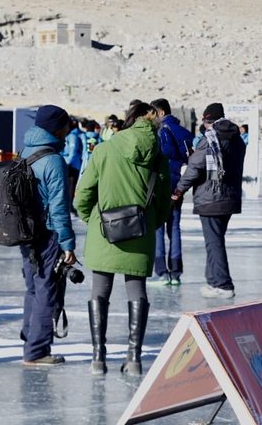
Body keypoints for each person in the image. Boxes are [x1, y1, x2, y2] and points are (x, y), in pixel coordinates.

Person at [74, 101, 171, 376]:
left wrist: (90, 218)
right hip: (140, 231)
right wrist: (152, 223)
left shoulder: (105, 149)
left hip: (104, 230)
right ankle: (134, 358)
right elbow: (164, 203)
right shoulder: (158, 154)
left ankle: (98, 358)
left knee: (99, 290)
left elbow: (83, 195)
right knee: (137, 290)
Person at [18, 105, 77, 366]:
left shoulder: (26, 152)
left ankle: (30, 336)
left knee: (33, 286)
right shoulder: (53, 160)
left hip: (25, 232)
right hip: (47, 233)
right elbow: (59, 208)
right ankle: (37, 350)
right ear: (58, 128)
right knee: (46, 289)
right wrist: (68, 244)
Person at [171, 103, 246, 300]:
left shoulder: (210, 140)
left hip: (210, 197)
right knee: (215, 240)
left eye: (205, 122)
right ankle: (213, 280)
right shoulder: (237, 139)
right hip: (229, 197)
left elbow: (195, 168)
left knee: (214, 242)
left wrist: (179, 189)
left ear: (208, 121)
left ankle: (223, 283)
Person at [149, 98, 192, 286]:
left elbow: (164, 157)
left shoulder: (161, 132)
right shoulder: (184, 133)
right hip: (179, 186)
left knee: (158, 228)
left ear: (160, 113)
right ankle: (176, 270)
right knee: (174, 227)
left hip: (163, 185)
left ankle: (161, 271)